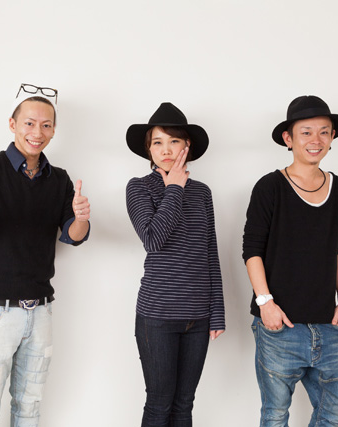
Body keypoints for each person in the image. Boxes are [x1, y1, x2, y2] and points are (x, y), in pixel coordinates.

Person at [0, 83, 91, 427]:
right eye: (29, 123)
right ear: (12, 124)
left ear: (54, 130)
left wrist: (81, 218)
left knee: (29, 408)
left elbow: (73, 236)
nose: (37, 132)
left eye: (46, 125)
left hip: (40, 311)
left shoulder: (59, 180)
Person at [243, 95, 338, 426]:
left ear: (332, 138)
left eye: (324, 132)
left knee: (336, 406)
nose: (315, 140)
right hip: (280, 325)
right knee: (276, 413)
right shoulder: (270, 187)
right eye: (306, 132)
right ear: (288, 139)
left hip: (327, 324)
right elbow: (252, 250)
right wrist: (265, 303)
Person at [125, 102, 225, 426]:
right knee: (159, 404)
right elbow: (153, 239)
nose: (166, 150)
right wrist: (175, 189)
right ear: (149, 149)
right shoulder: (139, 187)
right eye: (157, 142)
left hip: (198, 317)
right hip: (157, 316)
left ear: (187, 146)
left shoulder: (203, 193)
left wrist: (217, 312)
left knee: (184, 405)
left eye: (173, 141)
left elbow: (210, 253)